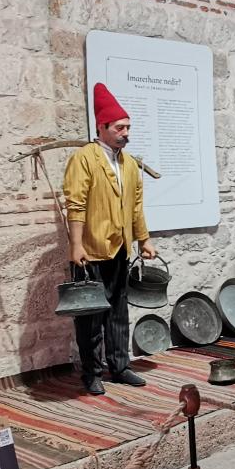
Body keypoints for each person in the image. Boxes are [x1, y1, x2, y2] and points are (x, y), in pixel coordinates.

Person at [64, 83, 159, 396]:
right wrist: (76, 244)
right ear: (102, 127)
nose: (125, 133)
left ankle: (119, 366)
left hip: (119, 249)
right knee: (91, 316)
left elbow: (136, 207)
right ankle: (92, 373)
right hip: (91, 250)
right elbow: (75, 204)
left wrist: (143, 240)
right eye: (119, 127)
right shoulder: (84, 159)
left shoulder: (129, 164)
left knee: (118, 310)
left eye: (128, 127)